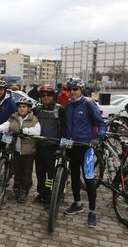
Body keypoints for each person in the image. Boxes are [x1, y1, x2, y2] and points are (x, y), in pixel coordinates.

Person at [63, 78, 107, 228]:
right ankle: (77, 203)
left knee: (88, 179)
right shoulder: (69, 106)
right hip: (72, 146)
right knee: (74, 176)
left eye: (75, 89)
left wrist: (97, 139)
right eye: (70, 89)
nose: (72, 92)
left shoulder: (88, 104)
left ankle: (92, 212)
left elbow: (101, 124)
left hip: (86, 147)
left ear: (81, 89)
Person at [0, 96, 40, 203]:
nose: (21, 109)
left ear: (29, 109)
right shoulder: (13, 117)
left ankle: (24, 190)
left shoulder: (34, 119)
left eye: (24, 107)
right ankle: (16, 189)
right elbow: (6, 125)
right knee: (17, 170)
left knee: (27, 171)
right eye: (20, 107)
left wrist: (24, 131)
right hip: (16, 149)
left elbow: (37, 131)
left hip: (28, 151)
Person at [33, 84, 66, 206]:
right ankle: (41, 193)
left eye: (48, 95)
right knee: (39, 172)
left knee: (50, 174)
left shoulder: (59, 109)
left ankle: (50, 196)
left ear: (53, 96)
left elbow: (64, 128)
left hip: (52, 147)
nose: (45, 97)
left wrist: (61, 145)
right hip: (39, 146)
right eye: (43, 95)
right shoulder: (37, 109)